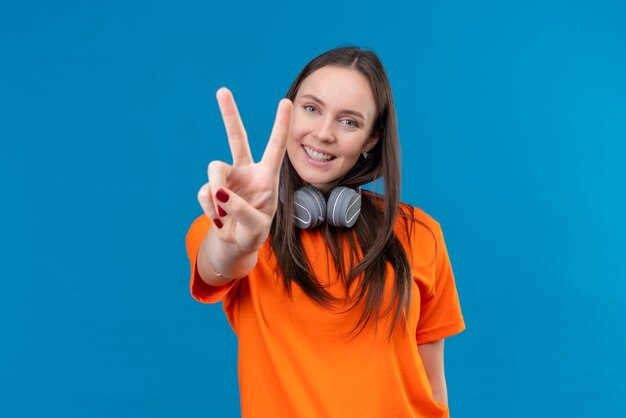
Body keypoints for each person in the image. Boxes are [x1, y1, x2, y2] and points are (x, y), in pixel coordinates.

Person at [185, 46, 465, 418]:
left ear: (371, 138)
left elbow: (433, 386)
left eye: (348, 121)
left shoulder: (419, 234)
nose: (323, 133)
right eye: (312, 108)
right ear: (289, 111)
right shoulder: (233, 223)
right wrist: (233, 243)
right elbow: (218, 264)